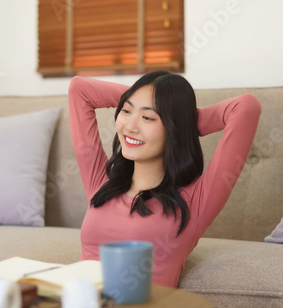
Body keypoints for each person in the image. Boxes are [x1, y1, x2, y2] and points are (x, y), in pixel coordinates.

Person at [68, 71, 261, 288]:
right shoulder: (99, 183)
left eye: (148, 117)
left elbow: (246, 107)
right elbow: (79, 89)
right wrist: (148, 100)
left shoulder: (195, 202)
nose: (130, 126)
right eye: (126, 111)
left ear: (173, 128)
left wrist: (182, 118)